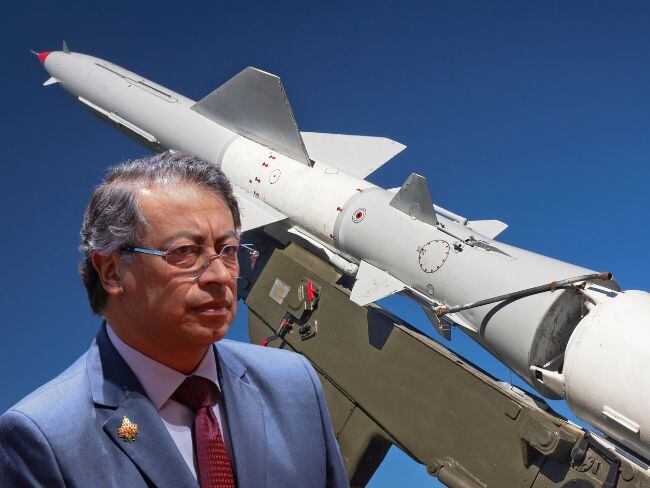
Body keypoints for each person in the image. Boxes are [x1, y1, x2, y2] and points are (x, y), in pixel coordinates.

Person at [0, 151, 349, 488]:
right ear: (112, 271)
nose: (220, 276)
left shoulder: (294, 386)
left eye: (228, 250)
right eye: (184, 252)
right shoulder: (45, 441)